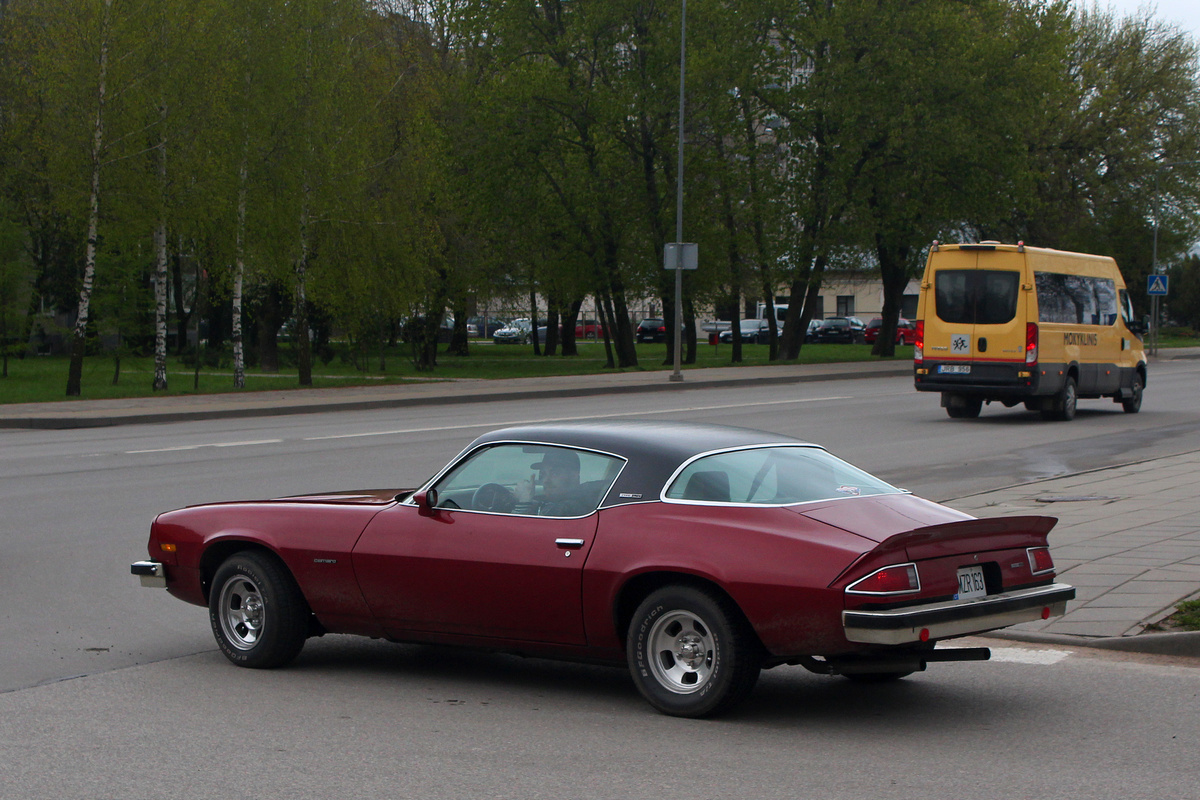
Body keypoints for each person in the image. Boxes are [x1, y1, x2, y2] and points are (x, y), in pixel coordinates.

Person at [513, 449, 592, 517]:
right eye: (543, 474)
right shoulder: (583, 500)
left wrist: (524, 501)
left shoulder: (567, 509)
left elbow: (519, 532)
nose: (546, 480)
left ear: (574, 476)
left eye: (554, 473)